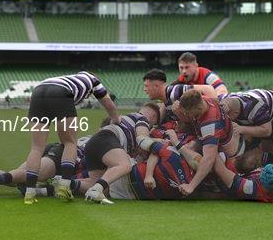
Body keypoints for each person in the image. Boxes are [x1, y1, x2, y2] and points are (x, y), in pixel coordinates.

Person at [23, 71, 119, 204]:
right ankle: (64, 186)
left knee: (36, 148)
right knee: (70, 143)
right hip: (61, 93)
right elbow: (108, 104)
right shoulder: (93, 80)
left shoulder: (69, 78)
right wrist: (115, 120)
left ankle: (29, 192)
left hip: (38, 92)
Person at [76, 103, 160, 204]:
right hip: (107, 138)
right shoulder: (142, 118)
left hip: (93, 144)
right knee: (125, 165)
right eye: (154, 123)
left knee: (102, 187)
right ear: (153, 117)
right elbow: (143, 138)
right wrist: (158, 142)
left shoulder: (128, 119)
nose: (152, 127)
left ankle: (68, 183)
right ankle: (95, 190)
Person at [171, 90, 243, 196]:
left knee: (207, 158)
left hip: (229, 153)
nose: (186, 114)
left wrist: (191, 186)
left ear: (198, 108)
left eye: (188, 112)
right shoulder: (203, 99)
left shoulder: (210, 124)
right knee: (189, 147)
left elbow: (209, 158)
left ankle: (215, 185)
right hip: (219, 138)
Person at [142, 68, 216, 107]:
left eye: (146, 86)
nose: (144, 89)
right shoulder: (165, 101)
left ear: (156, 86)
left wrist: (216, 111)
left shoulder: (175, 91)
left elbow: (208, 89)